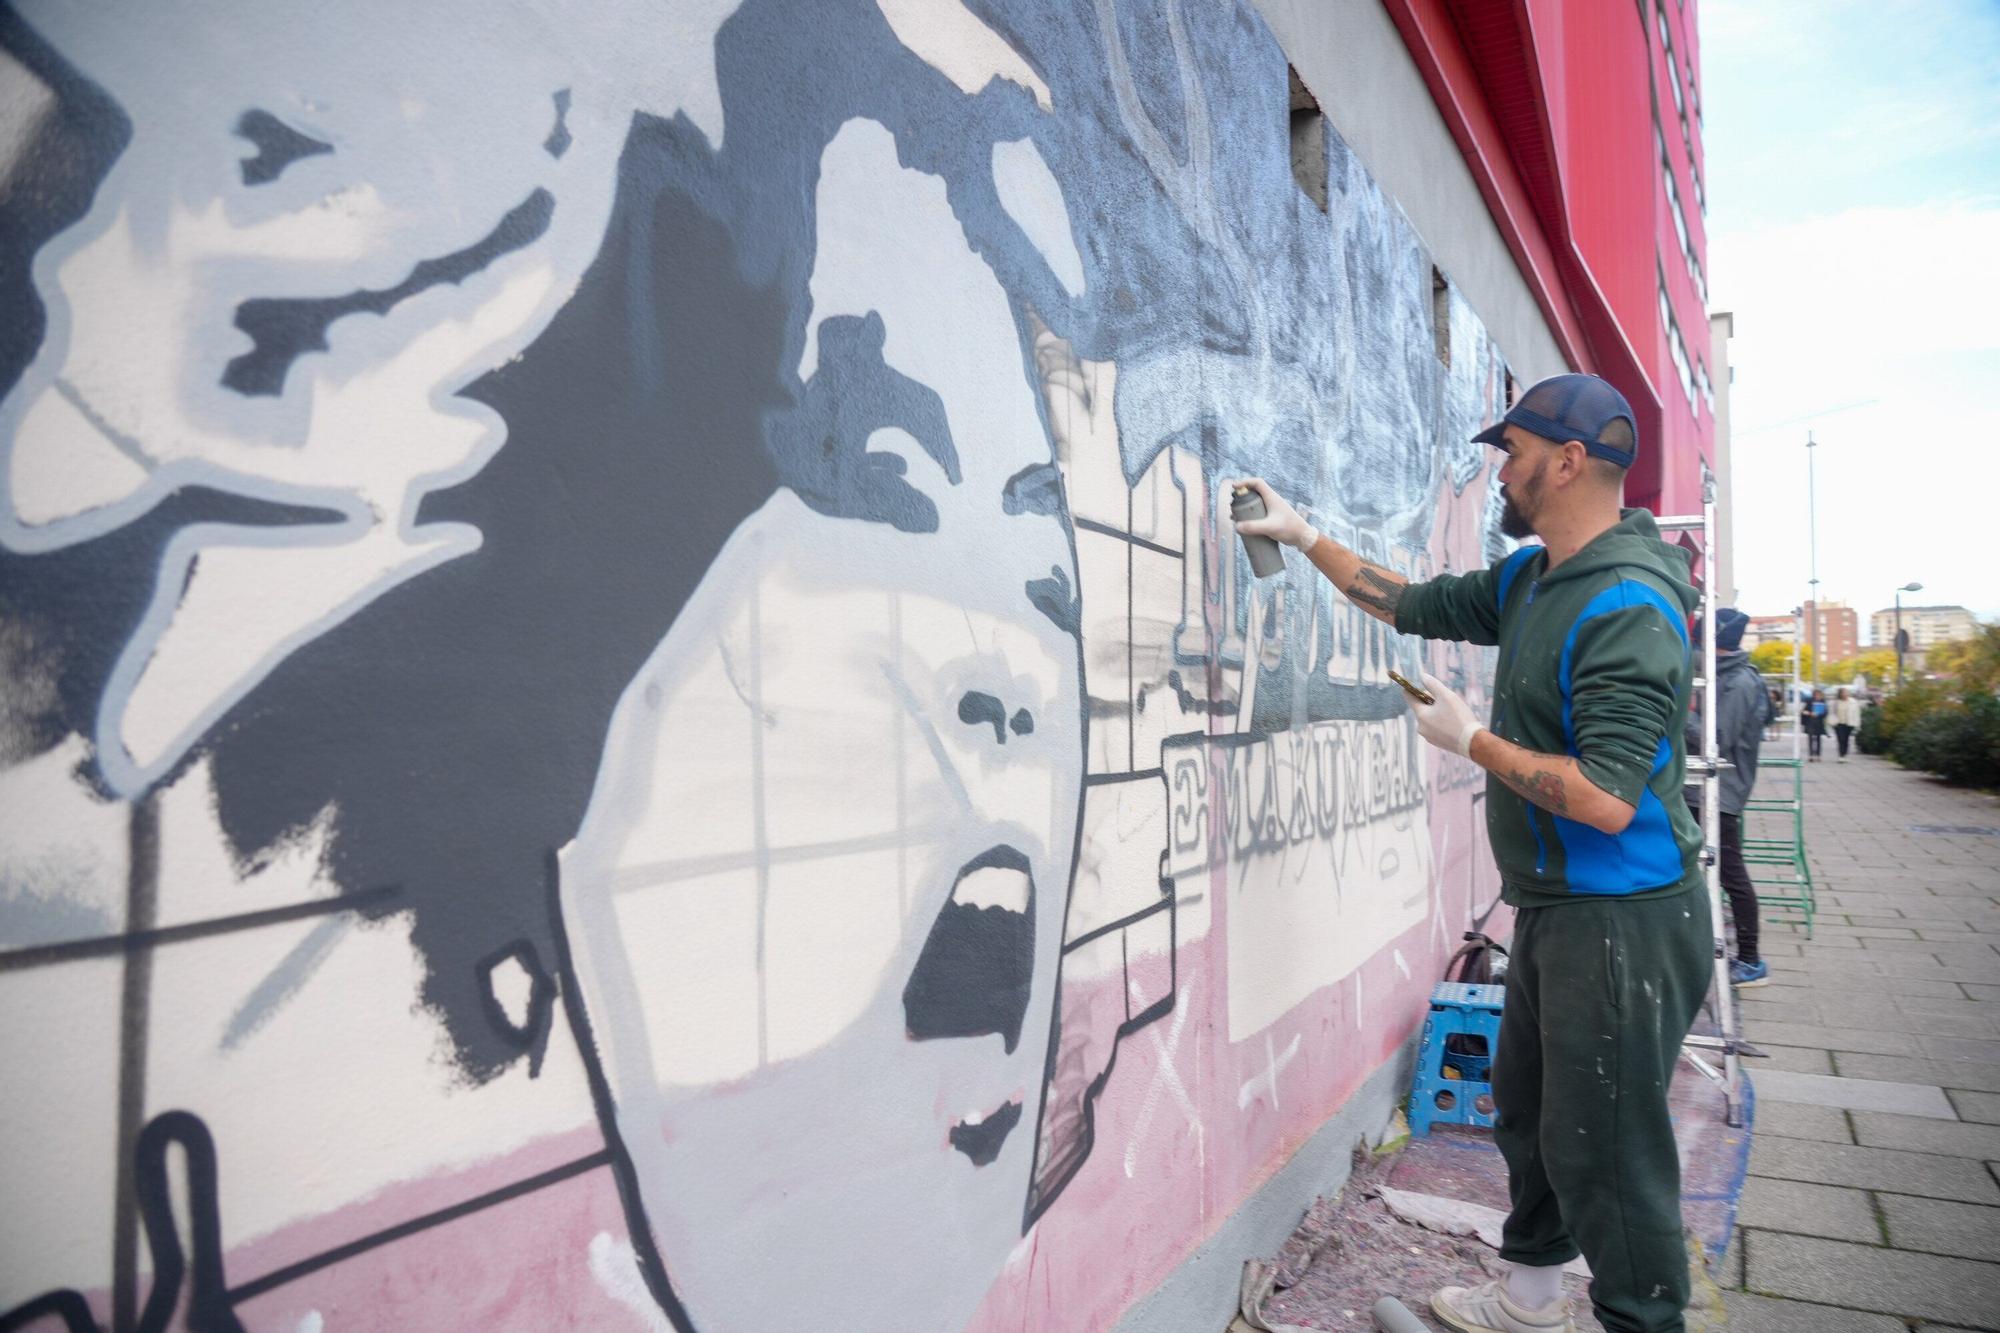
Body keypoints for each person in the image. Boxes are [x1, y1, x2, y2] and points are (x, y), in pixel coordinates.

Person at [1236, 372, 1709, 1333]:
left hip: (1623, 919)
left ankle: (1642, 1322)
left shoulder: (1625, 603)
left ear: (1569, 462)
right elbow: (1412, 602)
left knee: (1613, 1156)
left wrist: (1473, 742)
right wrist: (1303, 536)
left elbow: (1609, 801)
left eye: (1515, 452)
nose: (1501, 470)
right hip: (1557, 907)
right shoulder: (1535, 576)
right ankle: (1531, 1302)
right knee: (1533, 1113)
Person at [1685, 608, 1774, 987]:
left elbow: (1715, 739)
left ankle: (1751, 961)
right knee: (1708, 871)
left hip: (1719, 791)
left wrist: (1674, 713)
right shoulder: (1723, 676)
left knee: (1729, 873)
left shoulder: (1739, 682)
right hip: (1703, 789)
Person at [1832, 686, 1863, 761]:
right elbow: (1832, 712)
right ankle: (1841, 755)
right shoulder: (1836, 702)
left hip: (1849, 723)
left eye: (1846, 692)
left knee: (1846, 739)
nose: (1846, 694)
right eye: (1844, 692)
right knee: (1840, 739)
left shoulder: (1853, 702)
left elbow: (1857, 713)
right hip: (1838, 723)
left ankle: (1845, 754)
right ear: (1840, 694)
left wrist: (1857, 723)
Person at [1801, 687, 1829, 761]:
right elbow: (1803, 711)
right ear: (1814, 695)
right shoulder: (1809, 701)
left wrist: (1819, 714)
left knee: (1819, 739)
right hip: (1810, 722)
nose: (1818, 696)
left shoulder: (1823, 702)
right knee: (1810, 739)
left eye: (1819, 695)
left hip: (1819, 722)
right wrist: (1810, 713)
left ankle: (1818, 755)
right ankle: (1811, 755)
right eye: (1816, 695)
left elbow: (1826, 712)